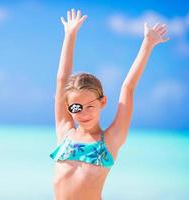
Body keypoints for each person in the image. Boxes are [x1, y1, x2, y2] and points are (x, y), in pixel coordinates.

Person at [49, 8, 169, 200]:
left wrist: (147, 44)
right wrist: (70, 35)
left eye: (90, 106)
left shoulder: (111, 139)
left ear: (102, 102)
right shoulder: (65, 132)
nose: (84, 113)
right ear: (68, 107)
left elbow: (128, 88)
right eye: (76, 107)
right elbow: (61, 79)